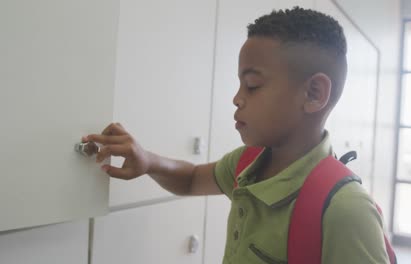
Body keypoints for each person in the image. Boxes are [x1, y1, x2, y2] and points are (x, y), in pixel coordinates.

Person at [83, 7, 391, 263]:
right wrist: (148, 161)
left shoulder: (346, 210)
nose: (237, 98)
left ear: (313, 93)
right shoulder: (247, 163)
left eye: (253, 85)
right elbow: (191, 179)